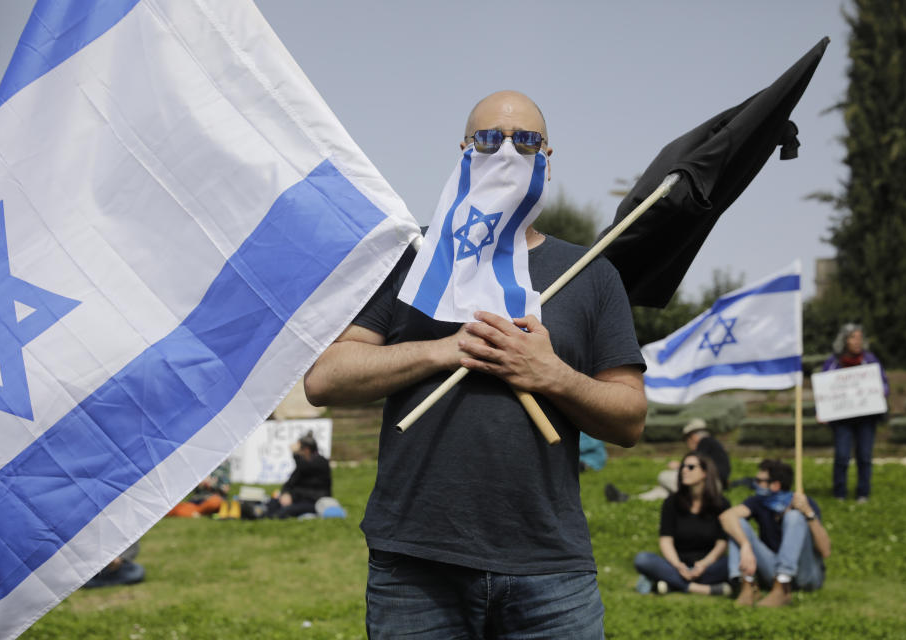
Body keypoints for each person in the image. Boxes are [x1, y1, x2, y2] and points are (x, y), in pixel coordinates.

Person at [304, 90, 647, 638]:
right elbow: (326, 377)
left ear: (547, 159)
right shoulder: (412, 260)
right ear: (463, 151)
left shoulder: (589, 272)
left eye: (526, 140)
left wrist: (549, 373)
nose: (507, 151)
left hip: (548, 565)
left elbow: (629, 417)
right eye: (489, 139)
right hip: (416, 564)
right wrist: (445, 349)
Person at [719, 459, 831, 608]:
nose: (755, 484)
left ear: (775, 485)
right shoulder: (759, 501)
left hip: (806, 575)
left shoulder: (804, 503)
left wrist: (808, 513)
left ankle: (783, 587)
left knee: (794, 517)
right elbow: (726, 517)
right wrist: (745, 545)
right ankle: (747, 585)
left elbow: (825, 551)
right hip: (772, 570)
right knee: (737, 524)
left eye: (760, 481)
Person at [633, 453, 731, 596]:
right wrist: (678, 565)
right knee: (643, 559)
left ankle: (671, 584)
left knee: (736, 560)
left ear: (705, 472)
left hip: (708, 565)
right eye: (683, 466)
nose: (684, 470)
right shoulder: (672, 502)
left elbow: (722, 542)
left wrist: (704, 564)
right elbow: (666, 539)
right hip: (678, 565)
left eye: (691, 467)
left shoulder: (721, 504)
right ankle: (701, 589)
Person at [822, 323, 889, 503]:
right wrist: (822, 409)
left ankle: (863, 493)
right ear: (844, 340)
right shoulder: (833, 363)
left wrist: (881, 392)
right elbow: (824, 389)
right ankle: (839, 493)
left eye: (860, 337)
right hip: (842, 419)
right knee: (842, 456)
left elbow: (884, 382)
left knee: (865, 456)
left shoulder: (870, 360)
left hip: (866, 418)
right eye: (853, 337)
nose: (857, 341)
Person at [605, 417, 730, 502]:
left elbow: (698, 465)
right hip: (712, 485)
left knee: (664, 476)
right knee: (662, 491)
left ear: (694, 437)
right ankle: (630, 498)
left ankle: (693, 499)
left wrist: (680, 466)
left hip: (710, 486)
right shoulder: (713, 445)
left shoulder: (705, 442)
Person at [264, 432, 332, 519]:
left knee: (285, 511)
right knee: (272, 504)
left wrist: (295, 454)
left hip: (314, 501)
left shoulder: (321, 462)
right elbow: (290, 483)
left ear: (306, 450)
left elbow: (305, 467)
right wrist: (286, 493)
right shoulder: (302, 465)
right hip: (298, 498)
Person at [166, 462, 231, 518]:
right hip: (197, 500)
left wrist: (211, 484)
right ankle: (195, 512)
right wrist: (200, 483)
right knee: (172, 508)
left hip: (213, 499)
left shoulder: (223, 465)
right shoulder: (200, 465)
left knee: (215, 502)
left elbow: (226, 488)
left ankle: (195, 512)